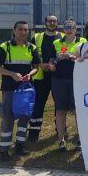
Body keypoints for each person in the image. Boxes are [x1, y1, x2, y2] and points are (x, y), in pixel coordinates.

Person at [0, 21, 40, 160]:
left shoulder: (31, 47)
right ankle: (4, 149)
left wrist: (30, 74)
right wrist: (12, 74)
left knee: (24, 117)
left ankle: (20, 145)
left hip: (26, 89)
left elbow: (36, 66)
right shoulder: (5, 46)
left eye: (26, 30)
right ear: (14, 30)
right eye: (20, 29)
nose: (23, 32)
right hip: (9, 88)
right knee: (8, 118)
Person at [50, 20, 87, 151]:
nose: (69, 29)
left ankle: (80, 138)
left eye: (72, 27)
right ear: (63, 29)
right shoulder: (56, 42)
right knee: (60, 110)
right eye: (67, 27)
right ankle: (61, 140)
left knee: (78, 111)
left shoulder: (83, 42)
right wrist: (54, 63)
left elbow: (86, 60)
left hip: (77, 79)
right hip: (59, 79)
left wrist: (71, 57)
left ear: (76, 29)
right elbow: (51, 61)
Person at [27, 14, 62, 142]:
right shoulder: (36, 37)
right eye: (49, 21)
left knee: (59, 105)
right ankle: (34, 133)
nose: (52, 23)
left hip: (58, 76)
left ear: (58, 23)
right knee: (38, 105)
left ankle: (60, 131)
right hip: (40, 77)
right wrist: (40, 64)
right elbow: (30, 55)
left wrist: (54, 65)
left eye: (54, 21)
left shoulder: (63, 37)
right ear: (45, 23)